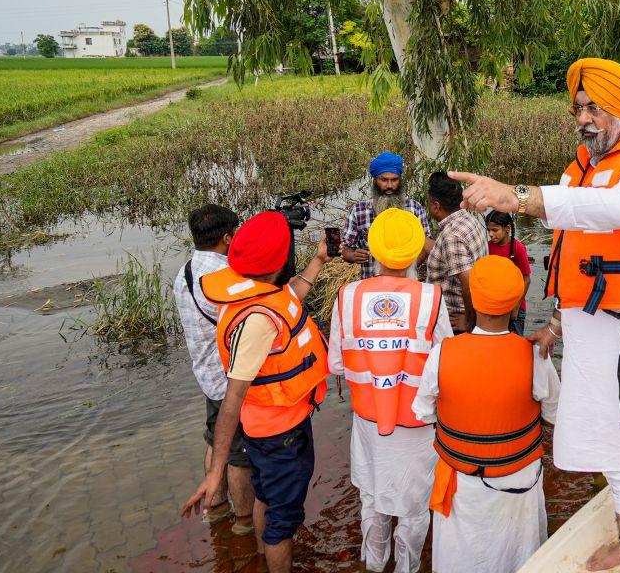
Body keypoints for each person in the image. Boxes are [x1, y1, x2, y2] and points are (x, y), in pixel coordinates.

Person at [448, 57, 620, 573]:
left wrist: (514, 196)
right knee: (613, 450)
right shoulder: (584, 166)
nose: (583, 117)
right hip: (596, 336)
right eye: (579, 108)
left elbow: (614, 209)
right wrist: (558, 325)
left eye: (595, 108)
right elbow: (582, 254)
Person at [181, 211, 334, 573]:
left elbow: (286, 299)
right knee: (281, 525)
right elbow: (231, 400)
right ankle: (274, 560)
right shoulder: (258, 321)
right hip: (279, 436)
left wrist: (318, 261)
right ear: (280, 260)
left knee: (266, 498)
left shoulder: (252, 291)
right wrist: (215, 470)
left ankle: (262, 560)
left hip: (267, 430)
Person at [414, 255, 561, 573]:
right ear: (516, 304)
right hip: (519, 479)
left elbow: (424, 413)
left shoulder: (442, 353)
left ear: (472, 300)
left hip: (463, 482)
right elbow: (555, 414)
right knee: (519, 555)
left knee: (462, 558)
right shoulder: (535, 356)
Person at [328, 208, 452, 573]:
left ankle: (375, 562)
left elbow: (336, 364)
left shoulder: (347, 296)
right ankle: (407, 567)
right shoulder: (431, 298)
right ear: (417, 252)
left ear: (374, 250)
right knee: (415, 507)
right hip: (417, 424)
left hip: (369, 424)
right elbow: (443, 366)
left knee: (373, 500)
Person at [171, 203, 255, 537]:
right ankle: (244, 521)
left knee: (214, 439)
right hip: (229, 381)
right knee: (238, 455)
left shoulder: (187, 271)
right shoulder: (225, 279)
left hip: (207, 377)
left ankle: (216, 508)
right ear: (227, 237)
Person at [343, 150, 431, 279]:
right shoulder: (358, 211)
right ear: (374, 180)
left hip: (407, 284)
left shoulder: (415, 209)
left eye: (394, 180)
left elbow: (424, 245)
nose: (389, 186)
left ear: (400, 180)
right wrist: (352, 255)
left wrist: (402, 268)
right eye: (383, 180)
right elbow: (345, 248)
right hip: (371, 287)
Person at [421, 170, 486, 334]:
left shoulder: (451, 236)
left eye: (429, 203)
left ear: (436, 206)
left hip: (454, 323)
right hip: (466, 313)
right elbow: (447, 254)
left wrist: (470, 323)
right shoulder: (468, 219)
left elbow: (469, 283)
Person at [486, 211, 532, 335]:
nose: (490, 234)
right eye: (488, 230)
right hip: (495, 305)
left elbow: (526, 279)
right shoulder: (487, 247)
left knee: (516, 342)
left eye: (495, 230)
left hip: (515, 307)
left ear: (507, 229)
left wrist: (516, 306)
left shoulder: (518, 248)